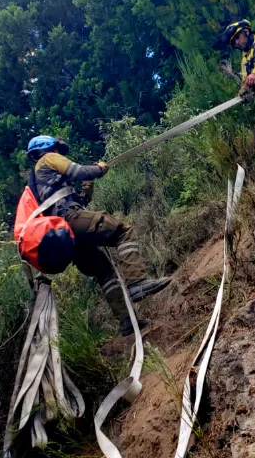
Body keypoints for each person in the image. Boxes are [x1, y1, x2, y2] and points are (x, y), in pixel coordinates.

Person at [25, 135, 171, 335]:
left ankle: (126, 321)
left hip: (66, 236)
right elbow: (79, 171)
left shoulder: (40, 181)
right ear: (48, 147)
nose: (59, 153)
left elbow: (80, 202)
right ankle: (137, 283)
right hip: (69, 219)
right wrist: (99, 168)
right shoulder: (48, 159)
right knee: (123, 231)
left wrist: (87, 189)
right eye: (57, 149)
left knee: (103, 270)